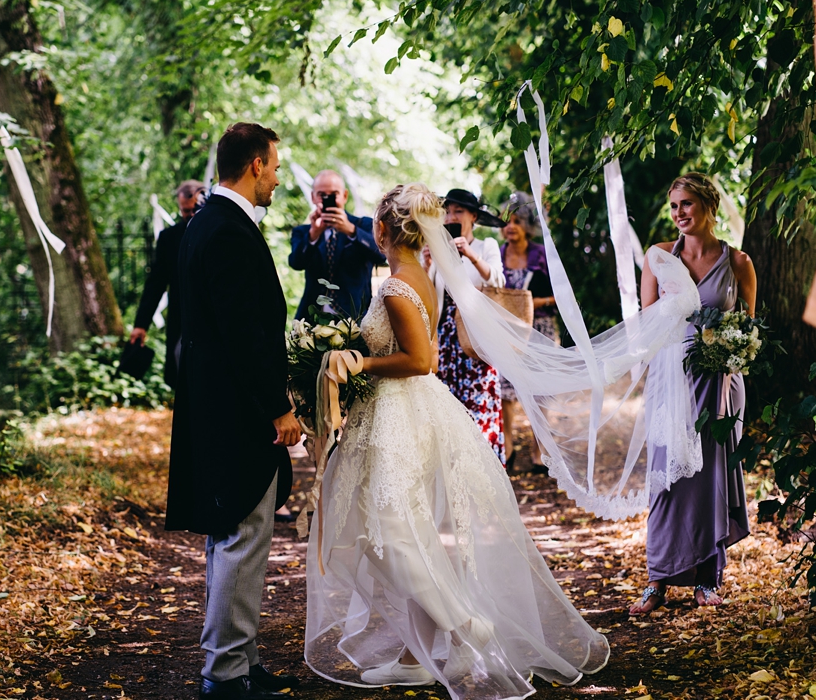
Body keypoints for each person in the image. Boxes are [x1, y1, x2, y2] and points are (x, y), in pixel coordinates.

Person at [306, 183, 609, 699]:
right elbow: (428, 358)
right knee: (406, 533)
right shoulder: (418, 276)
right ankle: (415, 659)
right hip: (411, 411)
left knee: (391, 535)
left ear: (382, 230)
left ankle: (468, 625)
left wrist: (359, 362)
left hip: (400, 417)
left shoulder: (400, 286)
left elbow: (422, 361)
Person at [165, 122, 303, 700]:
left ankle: (238, 661)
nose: (276, 178)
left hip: (219, 406)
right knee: (242, 538)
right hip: (237, 413)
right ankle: (224, 673)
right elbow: (242, 335)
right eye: (273, 166)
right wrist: (279, 409)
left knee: (235, 538)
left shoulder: (207, 224)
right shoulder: (224, 230)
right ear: (252, 165)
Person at [628, 173, 757, 614]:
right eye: (674, 206)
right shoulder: (660, 258)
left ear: (707, 206)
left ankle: (707, 577)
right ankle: (658, 579)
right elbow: (646, 325)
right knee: (667, 480)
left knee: (709, 480)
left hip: (719, 385)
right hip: (672, 382)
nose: (679, 213)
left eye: (686, 204)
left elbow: (748, 328)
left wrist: (729, 352)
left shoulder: (738, 263)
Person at [425, 188, 506, 460]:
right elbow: (430, 292)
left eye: (458, 211)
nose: (451, 216)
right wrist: (426, 264)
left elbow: (498, 280)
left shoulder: (486, 247)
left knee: (479, 400)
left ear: (473, 216)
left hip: (477, 334)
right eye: (447, 212)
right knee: (449, 405)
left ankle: (486, 467)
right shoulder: (438, 250)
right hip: (446, 335)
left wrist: (470, 254)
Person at [498, 192, 557, 474]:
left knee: (540, 392)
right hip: (507, 332)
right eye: (506, 221)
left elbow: (561, 295)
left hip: (541, 329)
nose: (510, 226)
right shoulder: (496, 255)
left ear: (528, 225)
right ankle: (507, 446)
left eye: (517, 221)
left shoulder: (542, 254)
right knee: (505, 391)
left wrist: (531, 303)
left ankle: (538, 450)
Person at [129, 179, 205, 388]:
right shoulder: (169, 238)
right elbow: (155, 283)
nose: (190, 215)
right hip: (181, 319)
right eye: (185, 211)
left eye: (194, 210)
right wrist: (141, 325)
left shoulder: (218, 232)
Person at [288, 169, 385, 321]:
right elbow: (296, 262)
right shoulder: (303, 232)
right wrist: (313, 234)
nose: (327, 199)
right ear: (313, 197)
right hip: (312, 318)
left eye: (333, 195)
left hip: (355, 319)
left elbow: (380, 256)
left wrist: (351, 231)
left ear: (344, 195)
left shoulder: (363, 225)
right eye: (322, 195)